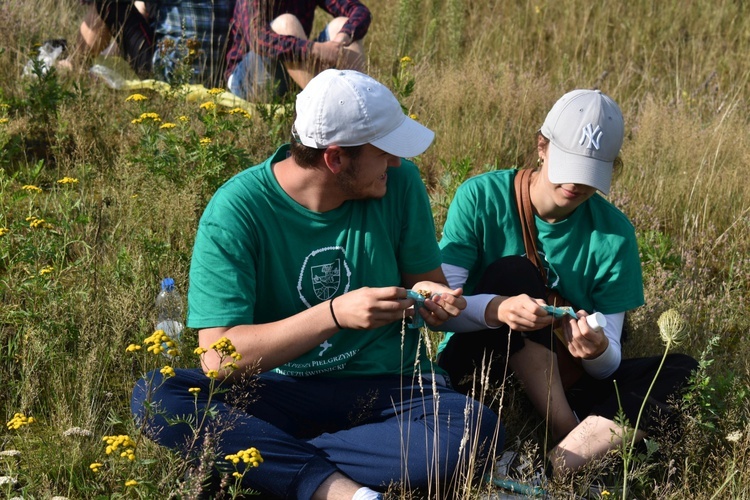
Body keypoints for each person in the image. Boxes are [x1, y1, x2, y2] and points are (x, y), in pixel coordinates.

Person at [131, 69, 502, 499]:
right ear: (335, 158)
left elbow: (425, 281)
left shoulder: (399, 185)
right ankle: (339, 490)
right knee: (158, 395)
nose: (397, 162)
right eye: (384, 152)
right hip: (276, 388)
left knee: (473, 430)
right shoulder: (238, 210)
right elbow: (218, 358)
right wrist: (334, 315)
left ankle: (260, 464)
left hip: (388, 388)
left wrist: (432, 299)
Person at [435, 89, 698, 479]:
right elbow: (441, 311)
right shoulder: (481, 197)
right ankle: (571, 434)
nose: (575, 183)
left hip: (565, 374)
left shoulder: (615, 234)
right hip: (482, 364)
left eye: (590, 172)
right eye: (569, 164)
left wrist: (596, 350)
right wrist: (498, 309)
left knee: (683, 371)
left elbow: (606, 364)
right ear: (541, 146)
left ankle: (547, 468)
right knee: (514, 275)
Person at [61, 0, 234, 87]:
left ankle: (74, 64)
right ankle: (106, 58)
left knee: (107, 2)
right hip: (220, 75)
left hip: (169, 73)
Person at [225, 0, 371, 101]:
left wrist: (341, 38)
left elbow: (359, 11)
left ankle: (362, 103)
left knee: (342, 25)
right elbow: (259, 40)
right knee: (286, 23)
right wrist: (314, 49)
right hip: (246, 78)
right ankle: (324, 107)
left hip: (297, 71)